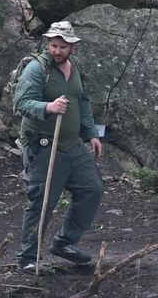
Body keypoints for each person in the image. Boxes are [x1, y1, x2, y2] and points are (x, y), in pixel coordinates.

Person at [13, 20, 105, 273]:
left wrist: (91, 134)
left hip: (73, 144)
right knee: (41, 201)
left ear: (72, 47)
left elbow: (82, 101)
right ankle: (28, 259)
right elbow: (20, 103)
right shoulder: (35, 69)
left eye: (62, 46)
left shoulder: (74, 67)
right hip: (43, 145)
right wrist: (47, 107)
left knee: (92, 188)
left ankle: (65, 243)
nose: (56, 51)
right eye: (53, 45)